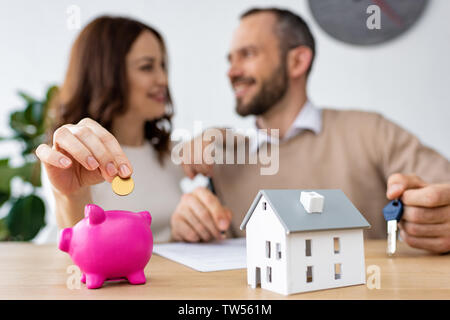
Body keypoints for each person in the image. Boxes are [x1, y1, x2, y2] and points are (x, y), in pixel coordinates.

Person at [170, 7, 450, 253]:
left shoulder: (370, 131)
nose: (231, 71)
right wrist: (190, 228)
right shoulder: (221, 157)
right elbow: (216, 251)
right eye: (230, 60)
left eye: (248, 54)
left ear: (297, 61)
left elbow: (441, 187)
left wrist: (438, 217)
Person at [36, 16, 183, 243]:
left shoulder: (172, 153)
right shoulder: (72, 156)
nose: (163, 79)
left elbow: (247, 145)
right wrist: (72, 196)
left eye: (162, 65)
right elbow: (77, 241)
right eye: (147, 67)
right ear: (105, 74)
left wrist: (220, 135)